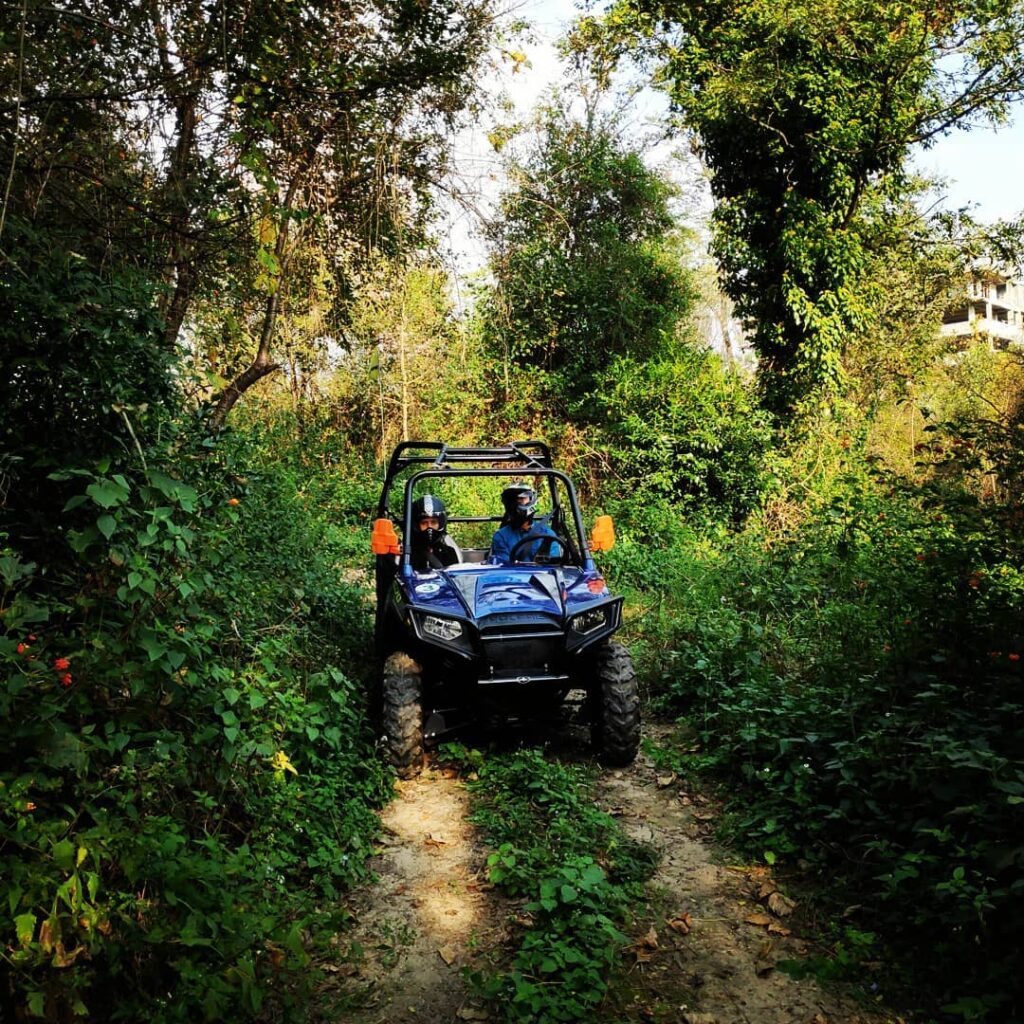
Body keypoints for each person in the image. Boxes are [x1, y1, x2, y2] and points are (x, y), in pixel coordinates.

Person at [490, 485, 561, 563]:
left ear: (531, 500)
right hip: (512, 574)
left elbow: (554, 566)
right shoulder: (501, 536)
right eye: (514, 500)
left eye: (522, 499)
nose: (518, 502)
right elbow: (503, 566)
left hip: (541, 574)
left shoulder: (547, 535)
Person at [409, 494, 462, 571]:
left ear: (440, 524)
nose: (429, 527)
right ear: (417, 525)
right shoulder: (408, 552)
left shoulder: (449, 552)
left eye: (433, 522)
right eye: (424, 523)